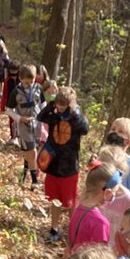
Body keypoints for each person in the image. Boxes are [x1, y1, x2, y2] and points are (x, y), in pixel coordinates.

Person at [37, 86, 90, 243]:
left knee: (70, 202)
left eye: (64, 107)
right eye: (58, 106)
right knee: (55, 200)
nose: (60, 110)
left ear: (70, 105)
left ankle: (73, 231)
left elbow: (85, 129)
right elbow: (40, 116)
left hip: (69, 168)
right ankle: (54, 228)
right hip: (53, 166)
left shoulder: (76, 120)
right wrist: (51, 104)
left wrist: (74, 111)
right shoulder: (54, 117)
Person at [67, 163, 118, 251]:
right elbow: (100, 256)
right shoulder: (101, 223)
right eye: (115, 192)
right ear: (108, 193)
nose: (115, 195)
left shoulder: (77, 210)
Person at [8, 62, 44, 186]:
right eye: (26, 82)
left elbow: (43, 103)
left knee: (31, 151)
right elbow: (8, 109)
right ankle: (34, 181)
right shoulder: (16, 92)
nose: (29, 84)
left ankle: (24, 174)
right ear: (20, 79)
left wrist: (43, 116)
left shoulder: (38, 88)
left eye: (32, 81)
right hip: (23, 126)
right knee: (32, 151)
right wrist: (19, 118)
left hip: (36, 125)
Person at [104, 117, 130, 202]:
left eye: (120, 132)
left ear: (128, 142)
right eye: (113, 129)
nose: (114, 133)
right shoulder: (103, 158)